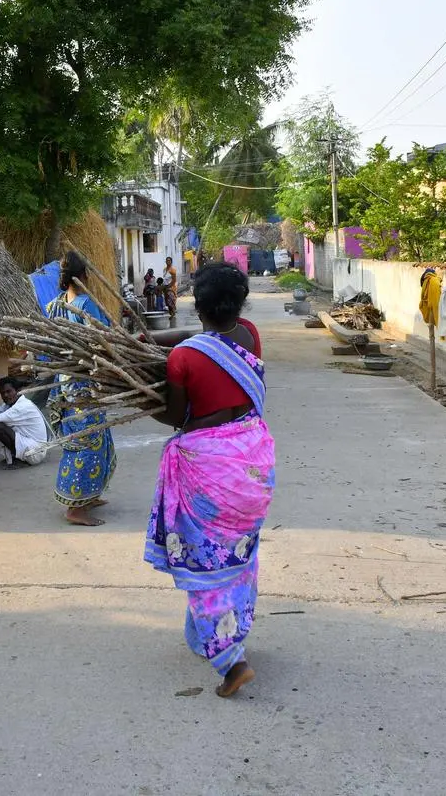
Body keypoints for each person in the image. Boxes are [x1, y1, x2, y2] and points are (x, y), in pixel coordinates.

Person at [144, 264, 275, 698]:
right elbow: (208, 341)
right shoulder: (250, 335)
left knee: (204, 562)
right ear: (240, 305)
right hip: (252, 464)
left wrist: (146, 401)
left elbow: (176, 416)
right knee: (237, 555)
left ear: (197, 306)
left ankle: (231, 661)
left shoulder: (183, 359)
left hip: (208, 471)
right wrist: (160, 340)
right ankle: (217, 633)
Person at [47, 251, 117, 526]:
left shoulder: (55, 305)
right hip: (83, 386)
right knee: (87, 443)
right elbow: (105, 339)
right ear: (84, 275)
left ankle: (90, 495)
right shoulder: (86, 305)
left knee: (93, 437)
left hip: (65, 384)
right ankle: (75, 509)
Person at [0, 376, 48, 469]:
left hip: (35, 452)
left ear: (17, 391)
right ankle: (17, 457)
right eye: (2, 393)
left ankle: (21, 459)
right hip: (31, 447)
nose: (5, 395)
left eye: (9, 391)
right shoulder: (9, 405)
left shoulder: (21, 406)